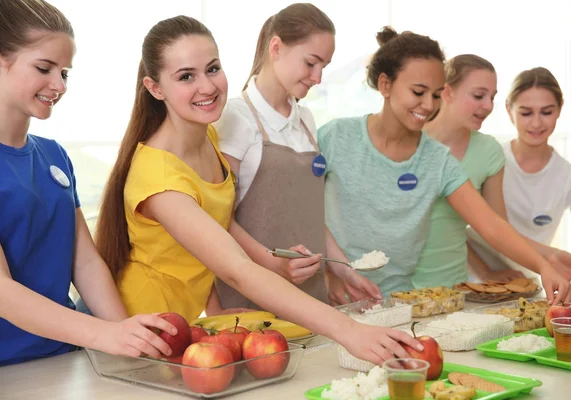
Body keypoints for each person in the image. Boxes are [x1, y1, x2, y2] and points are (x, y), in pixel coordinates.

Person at [93, 15, 423, 366]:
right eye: (186, 76)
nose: (207, 86)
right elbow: (236, 268)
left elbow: (212, 225)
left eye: (213, 68)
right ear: (155, 88)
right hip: (143, 331)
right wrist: (348, 329)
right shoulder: (157, 176)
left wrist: (226, 301)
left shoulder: (208, 138)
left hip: (186, 329)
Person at [317, 27, 571, 304]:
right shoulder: (334, 137)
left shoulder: (437, 159)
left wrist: (543, 265)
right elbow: (301, 211)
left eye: (436, 95)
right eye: (418, 92)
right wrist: (333, 269)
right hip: (331, 296)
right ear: (385, 85)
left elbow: (491, 225)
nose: (428, 104)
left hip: (395, 302)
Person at [0, 0, 177, 366]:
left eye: (65, 72)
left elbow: (85, 262)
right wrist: (106, 335)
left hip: (63, 357)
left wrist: (128, 335)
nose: (58, 85)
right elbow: (3, 294)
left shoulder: (53, 157)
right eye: (44, 68)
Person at [213, 3, 380, 310]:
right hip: (252, 301)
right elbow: (217, 218)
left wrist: (344, 269)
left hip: (310, 297)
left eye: (324, 67)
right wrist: (274, 264)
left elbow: (309, 215)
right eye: (310, 63)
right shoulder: (235, 118)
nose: (317, 78)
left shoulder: (306, 120)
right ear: (276, 47)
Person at [412, 55, 571, 291]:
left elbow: (497, 227)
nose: (488, 106)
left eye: (492, 97)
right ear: (447, 92)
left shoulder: (488, 152)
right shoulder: (408, 141)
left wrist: (549, 257)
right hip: (398, 286)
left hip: (454, 291)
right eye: (478, 96)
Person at [468, 67, 571, 283]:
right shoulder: (490, 158)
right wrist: (484, 273)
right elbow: (451, 228)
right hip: (470, 281)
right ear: (509, 110)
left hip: (527, 284)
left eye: (546, 112)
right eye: (526, 113)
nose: (536, 123)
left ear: (560, 109)